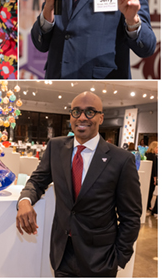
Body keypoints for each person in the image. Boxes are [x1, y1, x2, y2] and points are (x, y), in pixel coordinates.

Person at [16, 91, 142, 277]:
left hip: (100, 259)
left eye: (90, 112)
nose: (82, 117)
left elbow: (131, 216)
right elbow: (37, 180)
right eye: (76, 111)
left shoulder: (121, 160)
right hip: (62, 254)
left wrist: (119, 258)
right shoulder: (56, 147)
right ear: (70, 116)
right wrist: (25, 200)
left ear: (101, 118)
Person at [145, 141, 158, 217]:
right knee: (150, 192)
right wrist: (155, 178)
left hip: (147, 176)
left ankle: (148, 205)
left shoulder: (146, 155)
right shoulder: (153, 156)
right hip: (151, 177)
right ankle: (148, 206)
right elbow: (154, 169)